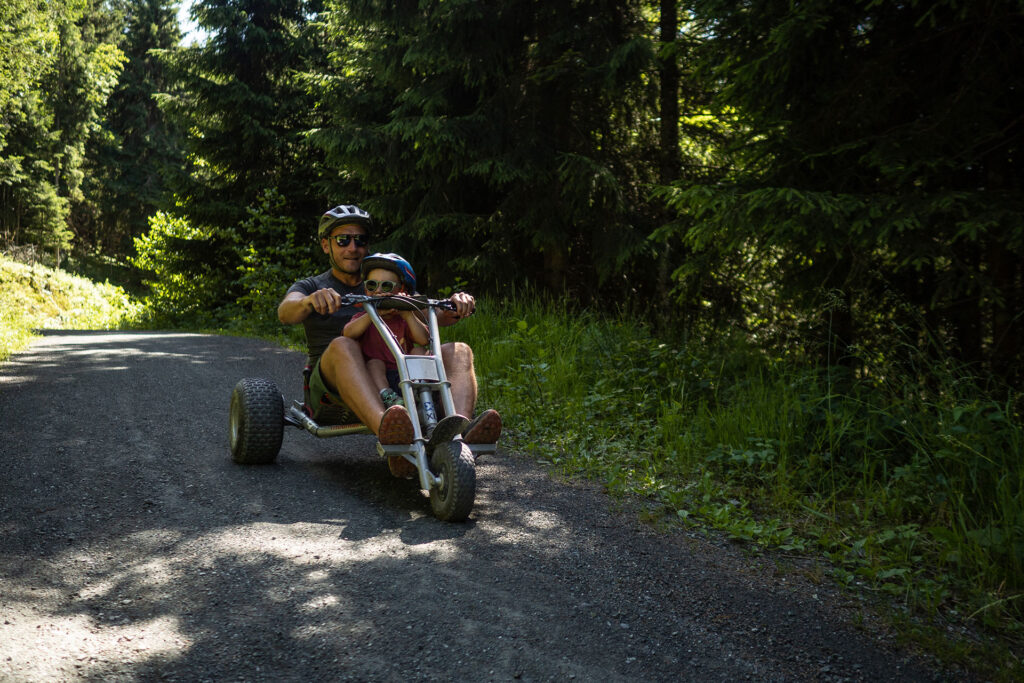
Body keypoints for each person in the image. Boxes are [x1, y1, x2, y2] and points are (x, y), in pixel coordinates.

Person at [277, 204, 502, 449]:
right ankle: (391, 433)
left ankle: (458, 436)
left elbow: (429, 313)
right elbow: (286, 312)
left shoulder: (385, 279)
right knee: (344, 344)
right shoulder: (312, 285)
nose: (353, 248)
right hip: (333, 389)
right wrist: (310, 301)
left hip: (396, 378)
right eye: (343, 240)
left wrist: (458, 304)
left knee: (459, 350)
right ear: (325, 245)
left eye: (360, 240)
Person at [342, 253, 428, 409]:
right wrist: (374, 314)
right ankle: (388, 397)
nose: (378, 291)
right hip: (377, 379)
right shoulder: (364, 317)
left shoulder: (404, 319)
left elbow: (424, 339)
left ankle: (421, 392)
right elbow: (347, 334)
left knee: (419, 350)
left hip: (407, 375)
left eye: (386, 286)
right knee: (374, 363)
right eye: (372, 285)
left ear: (402, 290)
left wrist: (407, 312)